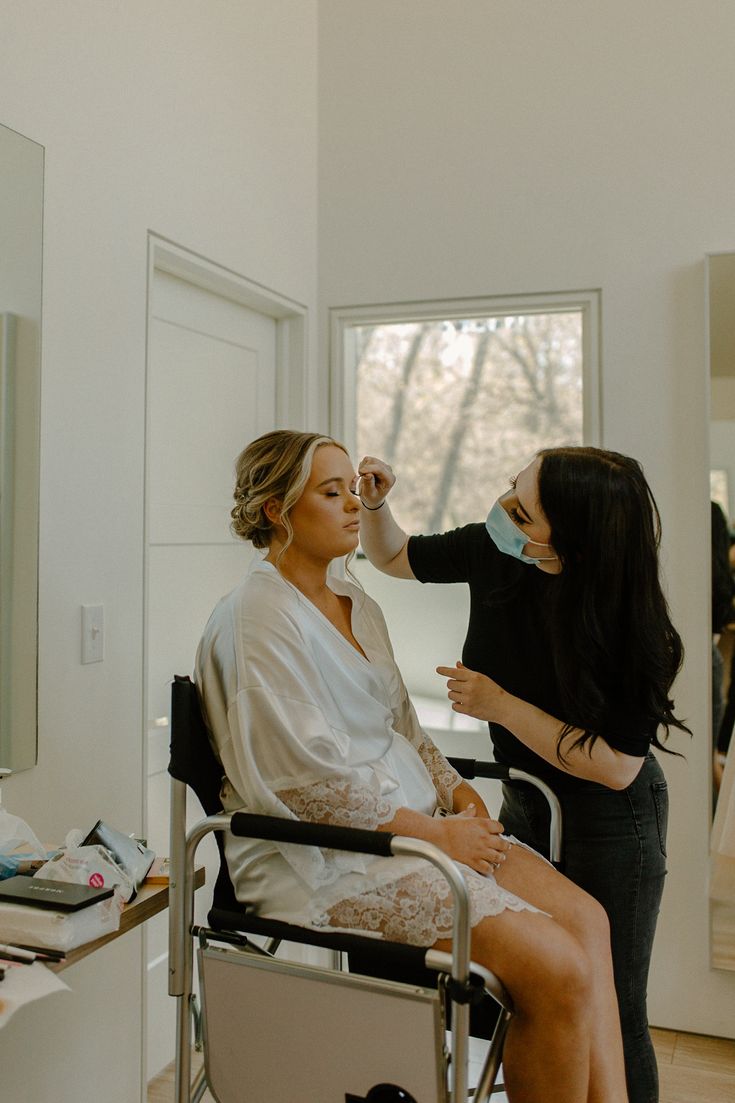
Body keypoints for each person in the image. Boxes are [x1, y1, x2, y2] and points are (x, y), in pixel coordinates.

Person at [195, 429, 628, 1103]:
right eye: (331, 492)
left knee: (588, 925)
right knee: (555, 971)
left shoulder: (355, 603)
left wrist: (455, 790)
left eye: (352, 489)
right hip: (326, 857)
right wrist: (435, 837)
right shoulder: (257, 619)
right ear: (278, 511)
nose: (351, 506)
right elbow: (305, 786)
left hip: (417, 826)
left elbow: (402, 723)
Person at [358, 446, 690, 1103]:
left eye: (522, 506)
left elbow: (616, 766)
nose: (503, 508)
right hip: (524, 803)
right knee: (539, 988)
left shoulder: (635, 623)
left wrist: (499, 704)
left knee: (611, 1007)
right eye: (511, 487)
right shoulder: (493, 550)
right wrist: (373, 504)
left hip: (609, 820)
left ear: (569, 534)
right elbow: (393, 555)